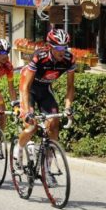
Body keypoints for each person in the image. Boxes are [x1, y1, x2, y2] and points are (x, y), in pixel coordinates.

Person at [14, 28, 75, 184]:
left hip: (45, 90)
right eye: (59, 48)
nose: (63, 51)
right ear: (50, 46)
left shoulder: (69, 59)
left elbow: (70, 87)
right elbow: (26, 87)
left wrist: (68, 108)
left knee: (54, 125)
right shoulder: (39, 57)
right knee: (31, 126)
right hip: (29, 89)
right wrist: (27, 111)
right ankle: (19, 148)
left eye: (65, 46)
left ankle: (46, 169)